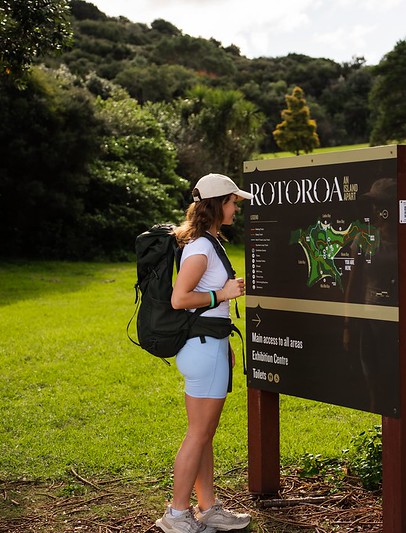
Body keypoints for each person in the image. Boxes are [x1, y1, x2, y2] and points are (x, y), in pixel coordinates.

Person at [156, 173, 253, 533]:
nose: (235, 209)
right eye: (232, 203)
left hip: (208, 346)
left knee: (203, 434)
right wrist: (222, 294)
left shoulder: (206, 243)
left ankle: (207, 507)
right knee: (198, 434)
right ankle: (176, 514)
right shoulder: (201, 248)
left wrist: (223, 344)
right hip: (203, 350)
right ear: (217, 204)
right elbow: (180, 299)